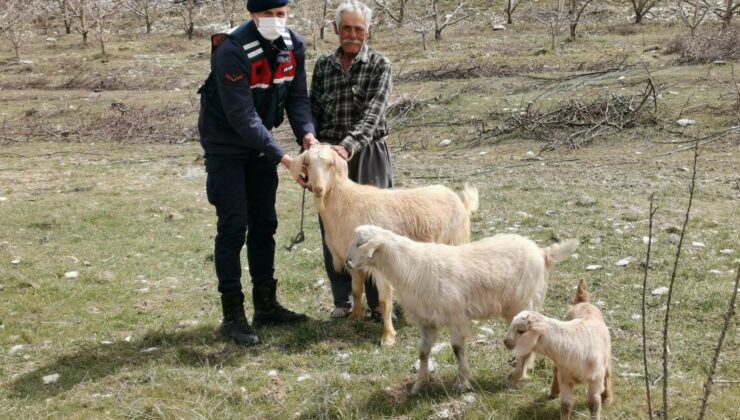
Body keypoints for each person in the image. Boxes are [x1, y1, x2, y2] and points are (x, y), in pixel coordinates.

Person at [198, 0, 319, 346]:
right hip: (226, 145)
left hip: (260, 145)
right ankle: (232, 314)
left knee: (264, 223)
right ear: (253, 15)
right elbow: (242, 117)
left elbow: (297, 99)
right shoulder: (231, 50)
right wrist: (285, 159)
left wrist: (307, 136)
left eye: (281, 14)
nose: (275, 21)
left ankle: (266, 304)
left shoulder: (294, 46)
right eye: (268, 15)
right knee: (233, 225)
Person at [310, 0, 394, 322]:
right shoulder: (323, 66)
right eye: (346, 28)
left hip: (366, 152)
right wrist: (314, 152)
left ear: (368, 30)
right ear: (335, 30)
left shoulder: (379, 65)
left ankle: (378, 303)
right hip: (328, 161)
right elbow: (313, 113)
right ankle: (342, 301)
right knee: (333, 228)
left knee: (375, 228)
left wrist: (346, 147)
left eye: (359, 29)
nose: (352, 34)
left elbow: (373, 114)